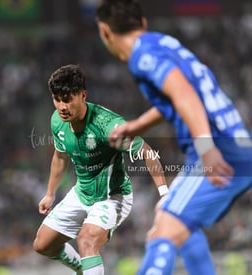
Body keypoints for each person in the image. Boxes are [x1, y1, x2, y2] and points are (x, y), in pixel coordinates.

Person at [95, 1, 252, 274]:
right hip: (234, 144)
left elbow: (184, 95)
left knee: (163, 232)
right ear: (142, 23)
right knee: (174, 221)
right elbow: (178, 95)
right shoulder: (162, 43)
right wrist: (137, 126)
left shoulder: (142, 55)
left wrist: (206, 148)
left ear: (105, 31)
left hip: (218, 148)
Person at [32, 64, 169, 275]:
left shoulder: (108, 125)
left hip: (112, 196)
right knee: (42, 245)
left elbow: (147, 152)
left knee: (86, 239)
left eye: (67, 99)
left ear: (83, 95)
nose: (62, 106)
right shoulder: (57, 121)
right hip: (82, 193)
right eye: (57, 99)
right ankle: (82, 268)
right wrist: (50, 193)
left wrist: (164, 194)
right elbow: (60, 157)